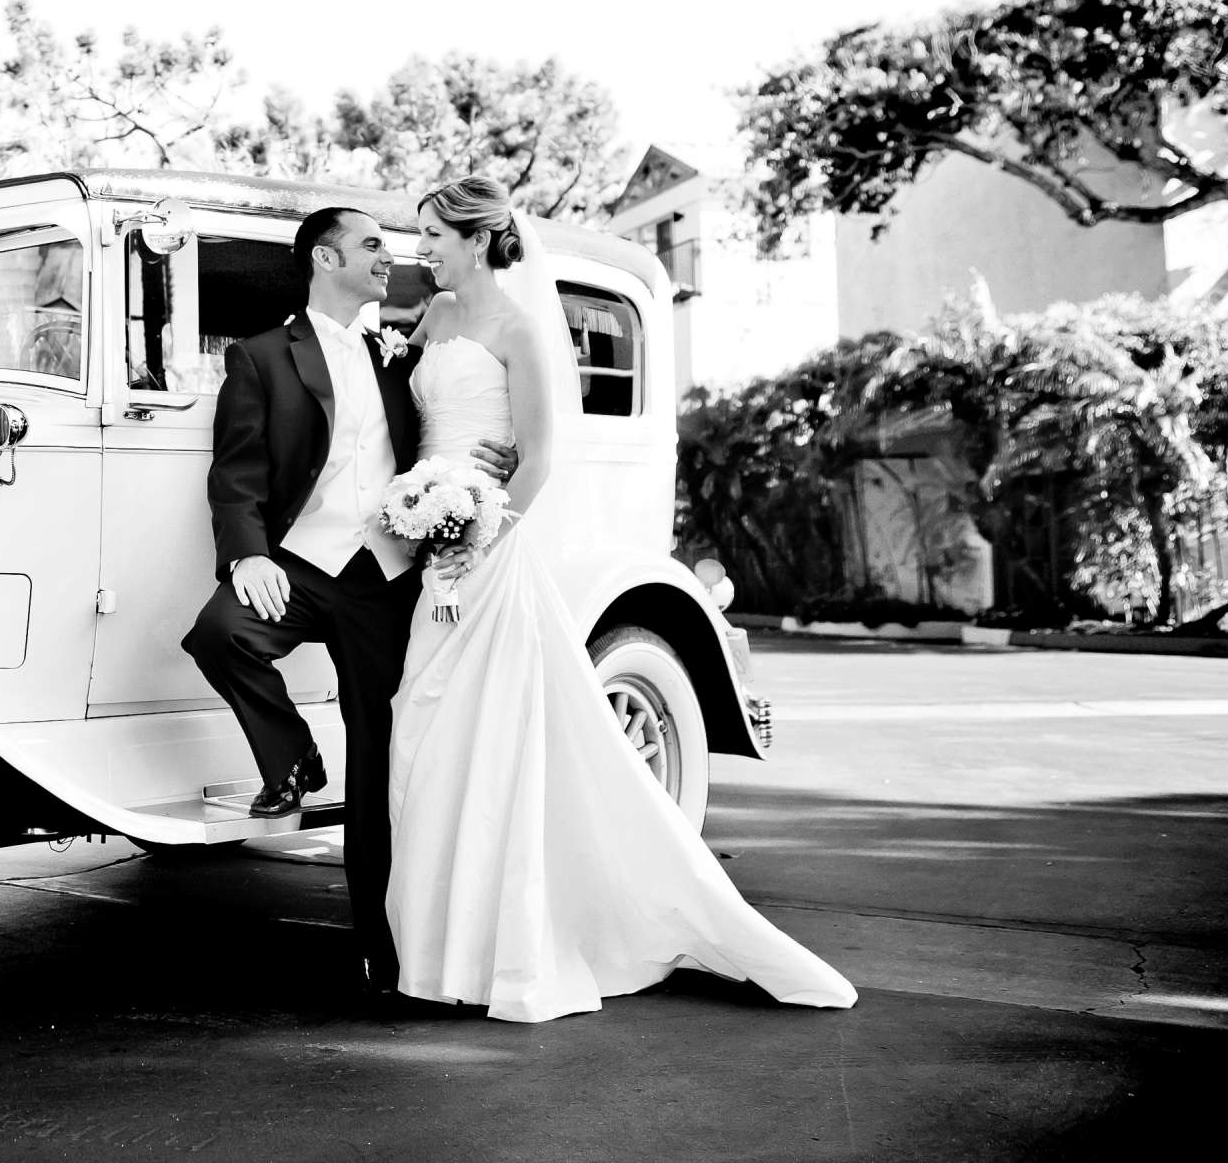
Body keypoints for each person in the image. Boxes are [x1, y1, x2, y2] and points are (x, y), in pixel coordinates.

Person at [386, 175, 857, 1020]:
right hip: (433, 546)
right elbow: (417, 418)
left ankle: (505, 950)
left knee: (489, 745)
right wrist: (427, 514)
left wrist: (475, 536)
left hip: (485, 555)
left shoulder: (522, 330)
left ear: (475, 235)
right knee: (427, 741)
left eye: (431, 234)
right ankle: (436, 951)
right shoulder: (436, 318)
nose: (419, 247)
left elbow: (535, 459)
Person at [182, 205, 513, 994]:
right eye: (372, 246)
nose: (388, 258)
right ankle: (293, 757)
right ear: (326, 259)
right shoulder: (261, 357)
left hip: (386, 574)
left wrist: (497, 458)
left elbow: (459, 418)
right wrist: (247, 558)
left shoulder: (400, 353)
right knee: (219, 634)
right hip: (302, 562)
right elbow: (236, 474)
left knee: (382, 759)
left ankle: (384, 947)